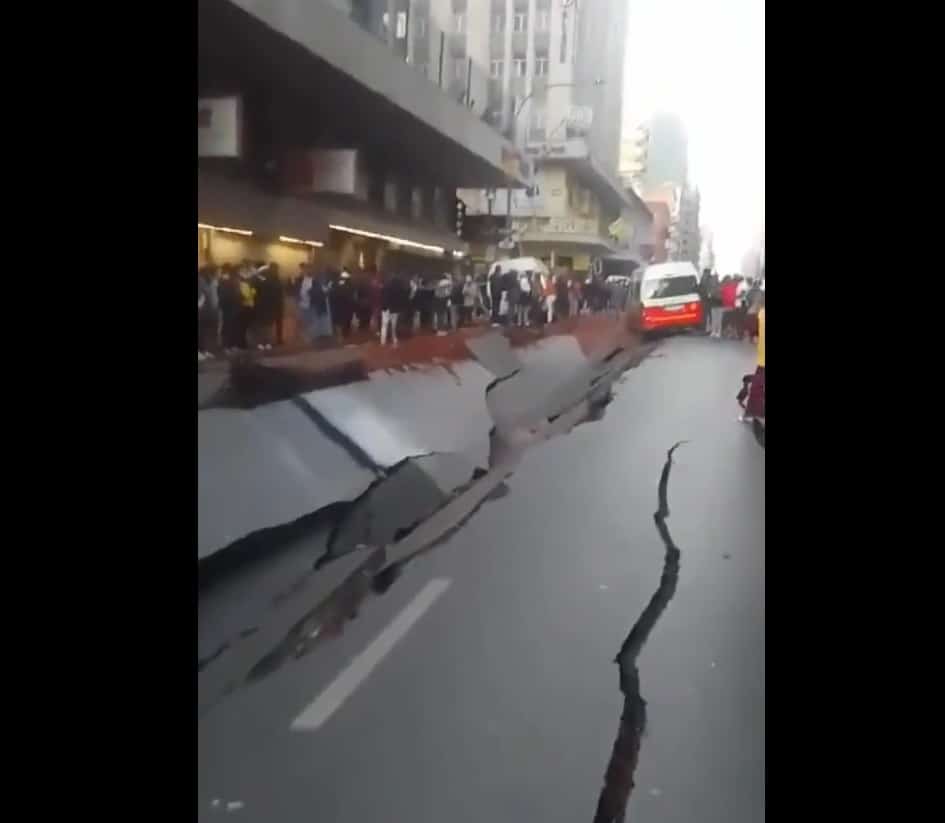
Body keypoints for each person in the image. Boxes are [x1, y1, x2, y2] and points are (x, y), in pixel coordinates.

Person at [738, 304, 765, 423]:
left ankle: (752, 413)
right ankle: (752, 413)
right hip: (762, 359)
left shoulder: (761, 313)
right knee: (757, 388)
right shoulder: (761, 313)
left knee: (756, 388)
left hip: (763, 360)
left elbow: (754, 334)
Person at [198, 265, 220, 357]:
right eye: (217, 272)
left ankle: (205, 350)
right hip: (203, 311)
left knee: (206, 332)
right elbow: (201, 298)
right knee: (201, 331)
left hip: (209, 311)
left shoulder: (211, 282)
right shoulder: (201, 282)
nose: (219, 274)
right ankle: (200, 351)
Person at [380, 274, 403, 345]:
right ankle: (394, 338)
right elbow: (400, 299)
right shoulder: (399, 288)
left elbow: (383, 297)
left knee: (384, 325)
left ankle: (383, 340)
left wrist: (384, 306)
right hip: (395, 309)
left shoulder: (385, 287)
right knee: (393, 325)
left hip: (386, 308)